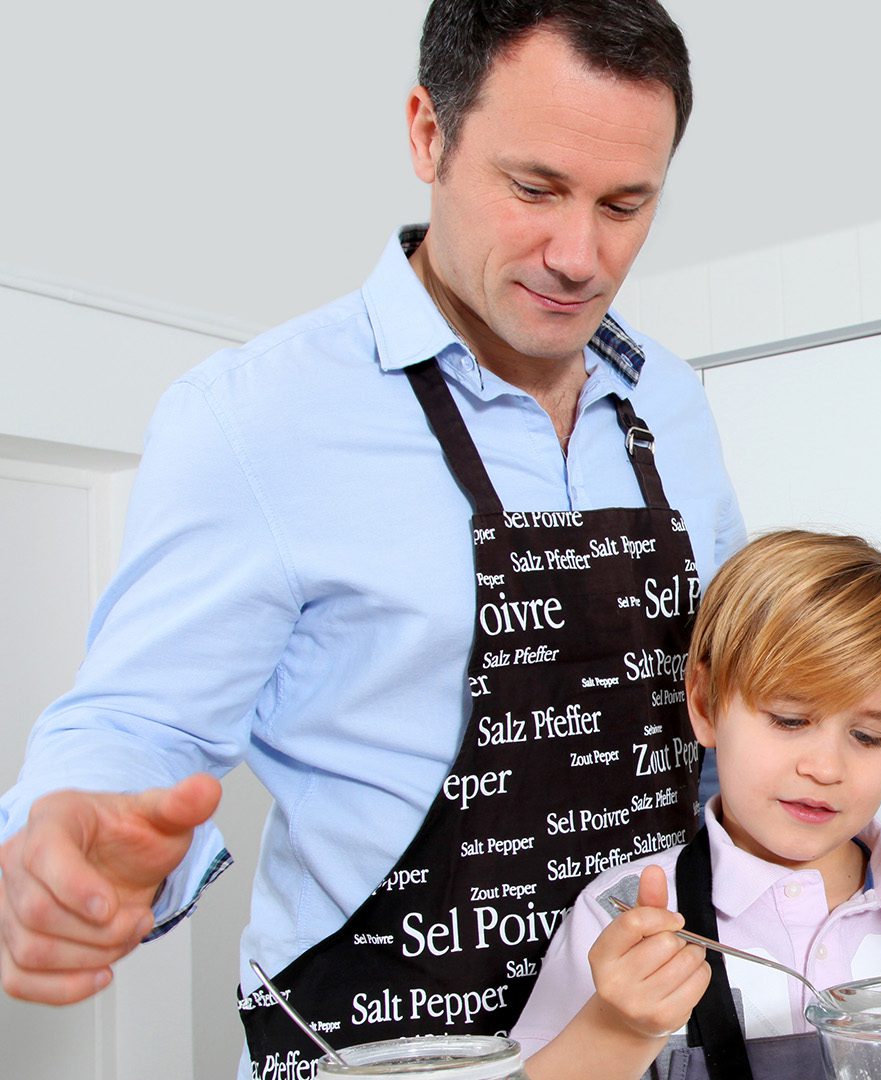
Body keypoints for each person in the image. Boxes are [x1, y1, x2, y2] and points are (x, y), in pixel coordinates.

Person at [0, 2, 744, 1075]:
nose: (580, 255)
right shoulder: (257, 416)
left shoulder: (670, 403)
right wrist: (79, 840)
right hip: (388, 1051)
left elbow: (729, 711)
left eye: (626, 205)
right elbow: (134, 724)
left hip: (650, 1042)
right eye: (534, 189)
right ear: (427, 134)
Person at [510, 530, 881, 1079]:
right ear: (703, 704)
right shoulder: (620, 916)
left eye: (867, 737)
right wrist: (617, 1029)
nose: (826, 767)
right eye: (791, 721)